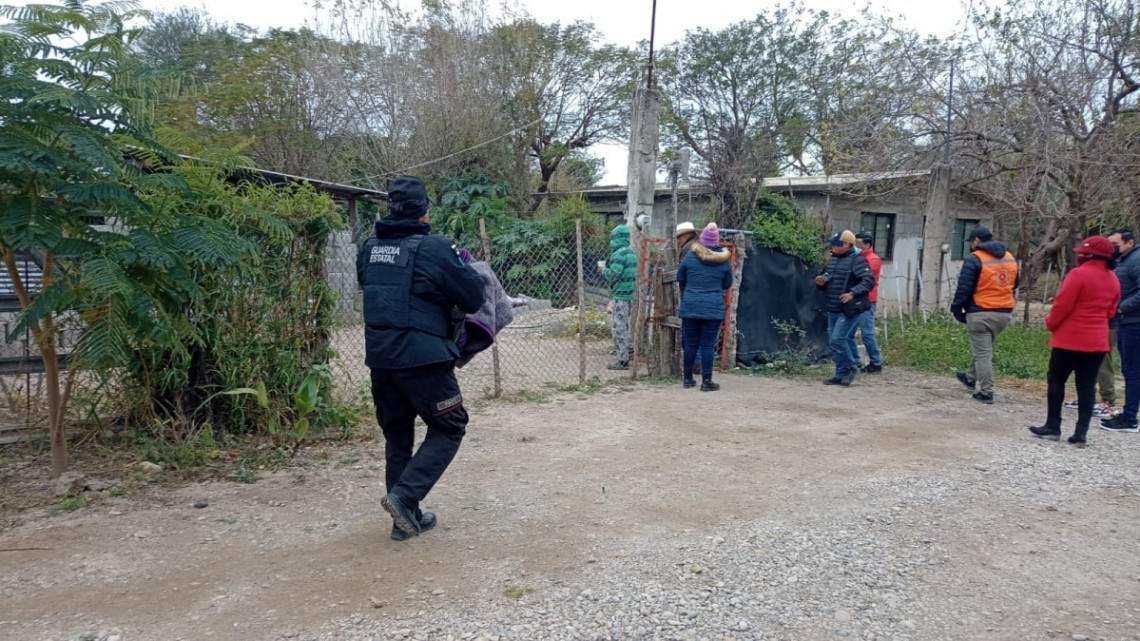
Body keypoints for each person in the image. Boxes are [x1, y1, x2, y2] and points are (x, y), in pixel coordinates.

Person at [356, 175, 485, 541]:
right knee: (449, 425)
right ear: (425, 211)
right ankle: (403, 496)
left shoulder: (368, 249)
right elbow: (473, 298)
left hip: (380, 358)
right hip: (424, 359)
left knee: (397, 433)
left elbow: (374, 287)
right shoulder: (434, 248)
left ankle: (405, 519)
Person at [1029, 236, 1120, 447]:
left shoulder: (1078, 274)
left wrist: (1051, 324)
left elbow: (1062, 305)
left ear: (1088, 255)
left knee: (1056, 380)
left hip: (1069, 339)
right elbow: (1110, 311)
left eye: (1082, 253)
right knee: (1087, 386)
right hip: (1097, 340)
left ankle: (1053, 426)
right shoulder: (1113, 279)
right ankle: (1081, 433)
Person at [951, 226, 1019, 405]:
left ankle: (986, 392)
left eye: (971, 242)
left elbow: (964, 289)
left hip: (980, 312)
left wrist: (957, 310)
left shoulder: (975, 259)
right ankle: (970, 378)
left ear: (977, 241)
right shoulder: (1010, 258)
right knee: (983, 348)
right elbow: (1015, 284)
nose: (971, 246)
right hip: (1004, 313)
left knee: (983, 354)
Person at [677, 222, 733, 391]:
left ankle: (687, 379)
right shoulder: (724, 260)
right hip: (713, 308)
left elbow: (680, 277)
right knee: (707, 345)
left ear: (702, 240)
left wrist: (693, 286)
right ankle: (706, 382)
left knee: (691, 343)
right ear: (717, 241)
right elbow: (727, 283)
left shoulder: (691, 256)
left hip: (691, 305)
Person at [815, 230, 875, 386]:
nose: (833, 247)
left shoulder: (858, 260)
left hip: (850, 308)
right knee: (836, 341)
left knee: (838, 339)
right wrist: (821, 283)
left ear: (848, 244)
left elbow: (868, 281)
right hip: (834, 306)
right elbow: (827, 280)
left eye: (837, 244)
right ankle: (840, 374)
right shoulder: (833, 260)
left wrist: (852, 293)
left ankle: (851, 367)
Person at [1101, 229, 1140, 433]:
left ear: (1129, 242)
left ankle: (1130, 417)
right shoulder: (1124, 261)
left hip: (1134, 323)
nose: (1111, 248)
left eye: (1115, 244)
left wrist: (1122, 307)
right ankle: (1128, 413)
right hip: (1126, 322)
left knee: (1132, 372)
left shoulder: (1136, 261)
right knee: (1129, 370)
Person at [601, 224, 638, 370]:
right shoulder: (631, 253)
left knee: (619, 327)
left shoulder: (618, 255)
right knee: (625, 324)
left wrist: (604, 270)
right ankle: (628, 351)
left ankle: (623, 360)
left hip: (620, 295)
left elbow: (613, 275)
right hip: (629, 294)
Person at [849, 232, 883, 374]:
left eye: (858, 245)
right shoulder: (859, 258)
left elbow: (861, 275)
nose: (856, 247)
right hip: (856, 299)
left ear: (867, 245)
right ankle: (855, 360)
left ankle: (876, 362)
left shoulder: (873, 260)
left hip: (867, 300)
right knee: (849, 332)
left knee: (867, 333)